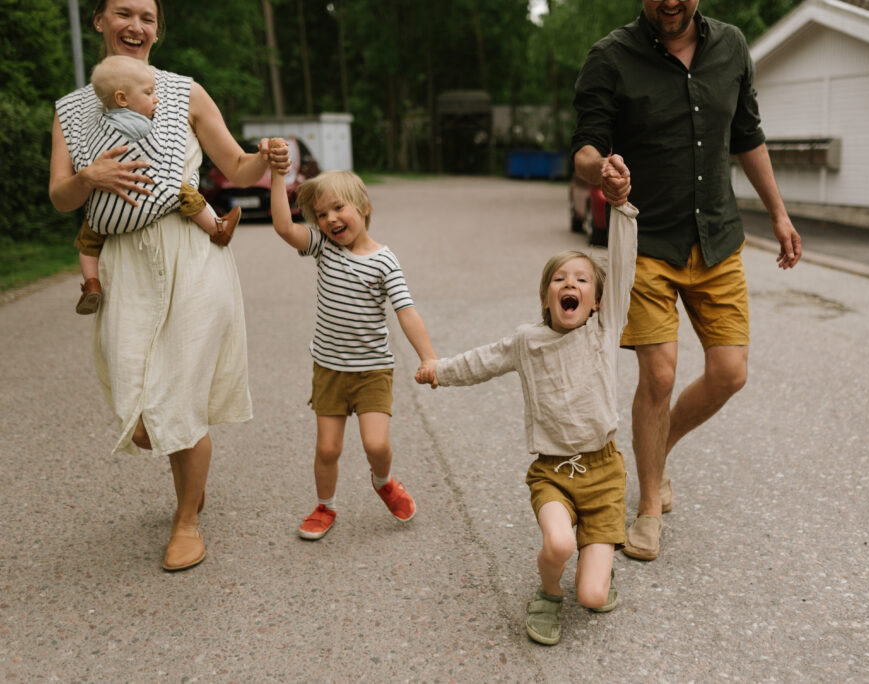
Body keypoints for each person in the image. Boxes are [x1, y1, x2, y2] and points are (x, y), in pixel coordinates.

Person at [49, 0, 289, 572]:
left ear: (158, 29)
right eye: (124, 13)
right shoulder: (73, 110)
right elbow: (60, 196)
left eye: (148, 17)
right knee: (139, 410)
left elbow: (235, 164)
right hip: (124, 261)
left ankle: (186, 520)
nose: (137, 26)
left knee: (180, 392)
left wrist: (266, 157)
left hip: (191, 250)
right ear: (99, 21)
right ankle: (186, 470)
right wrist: (88, 177)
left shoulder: (184, 92)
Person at [572, 0, 802, 561]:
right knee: (660, 374)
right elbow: (583, 148)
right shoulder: (610, 57)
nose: (669, 2)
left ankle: (659, 446)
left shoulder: (732, 47)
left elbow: (747, 134)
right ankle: (648, 505)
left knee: (730, 373)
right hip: (647, 242)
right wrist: (600, 169)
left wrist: (777, 211)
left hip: (717, 237)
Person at [416, 164, 638, 646]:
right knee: (558, 543)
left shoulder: (605, 328)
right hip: (553, 472)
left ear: (598, 300)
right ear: (546, 296)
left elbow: (622, 265)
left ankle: (595, 573)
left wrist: (620, 209)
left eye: (581, 279)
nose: (570, 284)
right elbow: (481, 361)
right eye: (560, 278)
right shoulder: (526, 341)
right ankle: (548, 591)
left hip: (604, 474)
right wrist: (439, 370)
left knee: (596, 597)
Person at [268, 159, 438, 540]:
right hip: (329, 369)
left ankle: (384, 480)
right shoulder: (323, 248)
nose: (329, 219)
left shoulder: (384, 261)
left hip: (372, 370)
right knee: (327, 449)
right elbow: (282, 226)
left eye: (338, 208)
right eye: (321, 214)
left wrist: (428, 357)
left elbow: (406, 312)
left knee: (376, 443)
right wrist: (278, 176)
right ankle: (325, 505)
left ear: (363, 208)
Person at [73, 55, 242, 315]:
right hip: (149, 193)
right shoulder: (144, 125)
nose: (157, 99)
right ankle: (217, 228)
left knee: (88, 237)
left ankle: (91, 283)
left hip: (110, 214)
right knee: (184, 191)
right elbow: (159, 154)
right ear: (122, 99)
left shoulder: (96, 126)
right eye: (149, 93)